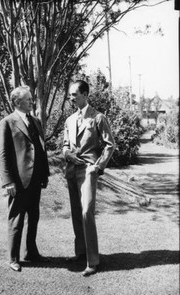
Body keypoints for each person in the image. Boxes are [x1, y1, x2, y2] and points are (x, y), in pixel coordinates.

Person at [63, 80, 116, 276]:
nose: (71, 98)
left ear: (85, 94)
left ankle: (92, 261)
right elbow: (65, 145)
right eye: (70, 95)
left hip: (88, 171)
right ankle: (80, 253)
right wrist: (67, 154)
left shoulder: (98, 118)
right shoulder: (69, 120)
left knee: (87, 212)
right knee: (77, 213)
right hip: (71, 171)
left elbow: (110, 144)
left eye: (74, 94)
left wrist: (98, 166)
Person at [0, 86, 50, 272]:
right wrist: (8, 181)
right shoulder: (7, 122)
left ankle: (31, 252)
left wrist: (44, 174)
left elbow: (41, 149)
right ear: (17, 102)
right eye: (28, 99)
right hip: (18, 181)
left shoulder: (35, 121)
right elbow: (2, 155)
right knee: (16, 220)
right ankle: (13, 258)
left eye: (31, 99)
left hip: (35, 179)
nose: (31, 102)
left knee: (33, 217)